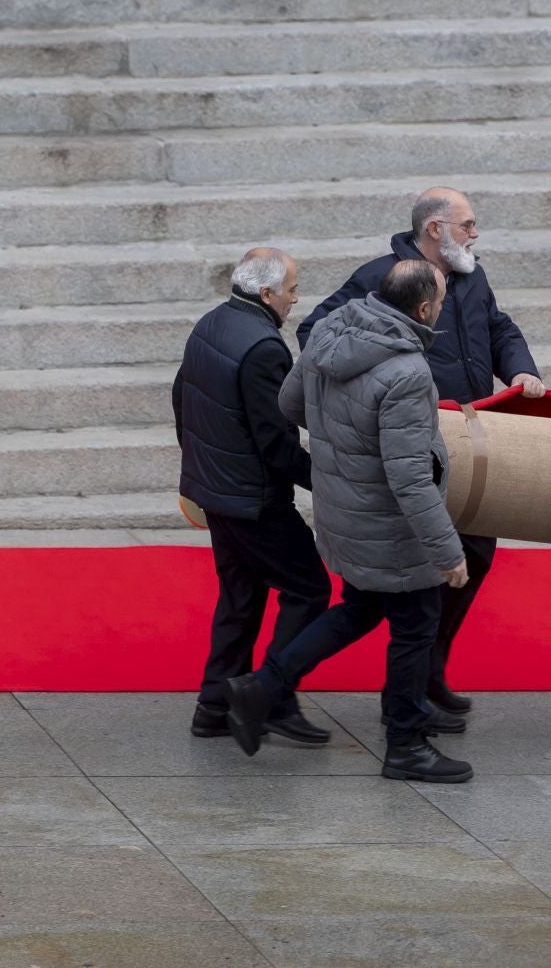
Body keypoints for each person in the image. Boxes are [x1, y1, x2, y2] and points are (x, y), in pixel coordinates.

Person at [223, 259, 475, 783]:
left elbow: (290, 404)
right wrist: (447, 551)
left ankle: (263, 687)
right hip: (392, 527)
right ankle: (405, 742)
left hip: (344, 510)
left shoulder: (332, 331)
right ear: (424, 308)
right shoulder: (407, 372)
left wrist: (345, 441)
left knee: (358, 609)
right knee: (416, 625)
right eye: (442, 302)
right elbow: (409, 478)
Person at [297, 187, 542, 716]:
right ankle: (409, 697)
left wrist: (521, 368)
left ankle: (430, 673)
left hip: (475, 444)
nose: (475, 234)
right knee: (426, 579)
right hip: (415, 445)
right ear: (435, 230)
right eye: (468, 225)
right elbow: (316, 333)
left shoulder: (471, 275)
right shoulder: (377, 277)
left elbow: (498, 327)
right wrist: (387, 382)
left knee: (474, 558)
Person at [173, 247, 333, 746]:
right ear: (265, 293)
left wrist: (199, 471)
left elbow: (182, 397)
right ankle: (270, 696)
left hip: (218, 491)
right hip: (253, 499)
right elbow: (276, 443)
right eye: (291, 290)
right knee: (309, 589)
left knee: (241, 597)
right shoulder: (265, 347)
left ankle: (213, 706)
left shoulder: (211, 322)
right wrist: (329, 482)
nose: (296, 299)